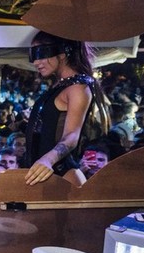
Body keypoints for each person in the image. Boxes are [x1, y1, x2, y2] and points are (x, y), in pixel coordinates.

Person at [24, 31, 110, 186]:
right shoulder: (62, 85)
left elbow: (72, 135)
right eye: (33, 55)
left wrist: (48, 160)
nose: (36, 62)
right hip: (46, 174)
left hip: (61, 175)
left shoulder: (77, 87)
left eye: (41, 54)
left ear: (62, 53)